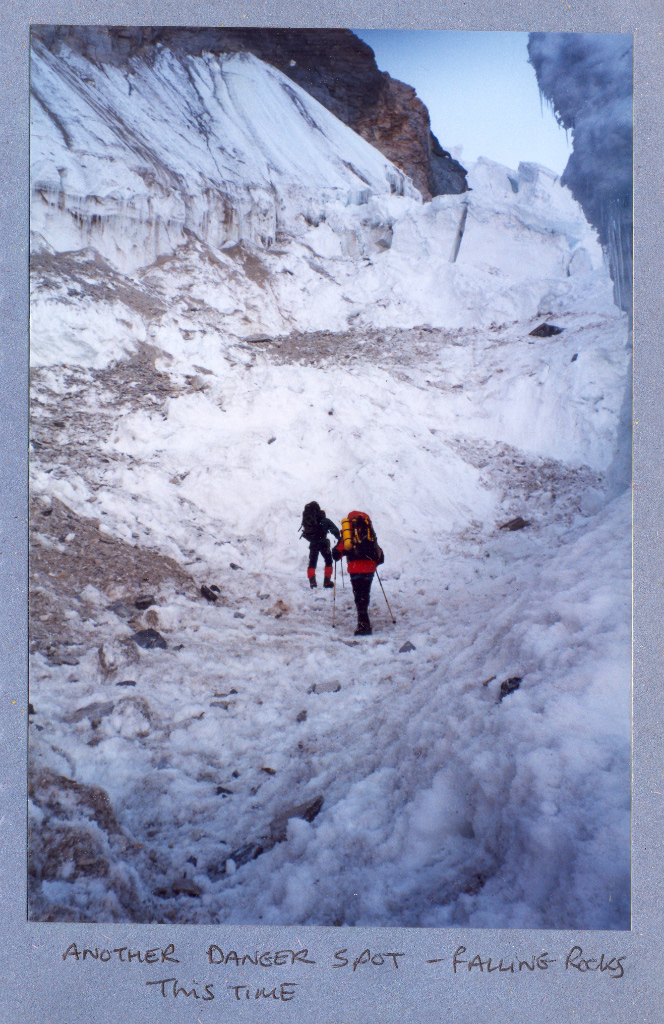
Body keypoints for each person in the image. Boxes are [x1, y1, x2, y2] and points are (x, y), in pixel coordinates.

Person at [333, 510, 384, 635]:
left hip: (355, 568)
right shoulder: (369, 532)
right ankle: (364, 620)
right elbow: (380, 555)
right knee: (365, 593)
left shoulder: (348, 533)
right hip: (369, 568)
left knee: (358, 595)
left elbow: (337, 553)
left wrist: (337, 552)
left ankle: (363, 624)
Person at [299, 501, 340, 589]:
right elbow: (335, 531)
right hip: (323, 543)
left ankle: (312, 582)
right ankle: (327, 581)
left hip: (313, 542)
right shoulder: (325, 520)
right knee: (328, 560)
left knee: (312, 562)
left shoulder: (309, 519)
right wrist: (339, 537)